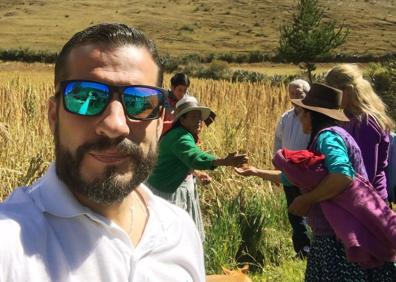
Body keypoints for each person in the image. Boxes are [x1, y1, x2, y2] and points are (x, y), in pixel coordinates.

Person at [0, 23, 205, 282]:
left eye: (139, 102)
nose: (115, 125)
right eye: (86, 97)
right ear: (54, 116)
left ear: (159, 121)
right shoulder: (9, 246)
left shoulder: (180, 231)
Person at [236, 83, 396, 281]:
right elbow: (299, 178)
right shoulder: (331, 136)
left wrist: (307, 200)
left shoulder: (328, 137)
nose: (300, 117)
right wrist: (255, 172)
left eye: (303, 112)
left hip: (337, 240)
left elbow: (342, 175)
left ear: (312, 115)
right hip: (333, 234)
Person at [146, 95, 248, 240]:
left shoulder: (182, 133)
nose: (199, 121)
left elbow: (182, 160)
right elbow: (195, 157)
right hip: (166, 194)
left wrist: (197, 174)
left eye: (199, 117)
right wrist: (224, 161)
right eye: (194, 117)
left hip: (168, 188)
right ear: (182, 119)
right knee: (172, 237)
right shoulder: (180, 137)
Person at [325, 64, 395, 202]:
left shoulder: (365, 123)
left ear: (348, 91)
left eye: (333, 91)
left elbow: (365, 173)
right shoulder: (348, 117)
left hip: (369, 201)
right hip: (357, 197)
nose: (330, 97)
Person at [273, 79, 311, 258]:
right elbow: (278, 140)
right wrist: (277, 161)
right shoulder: (286, 117)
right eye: (292, 94)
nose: (295, 97)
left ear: (307, 94)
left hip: (308, 172)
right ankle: (302, 249)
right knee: (294, 211)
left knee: (311, 209)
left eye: (299, 93)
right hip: (288, 171)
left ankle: (315, 247)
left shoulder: (312, 116)